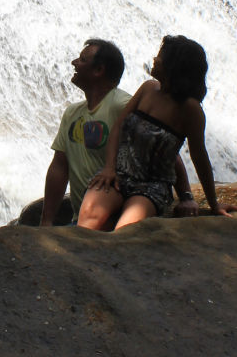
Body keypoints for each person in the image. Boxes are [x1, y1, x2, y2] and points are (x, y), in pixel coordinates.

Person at [78, 35, 232, 230]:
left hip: (151, 186)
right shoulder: (148, 88)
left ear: (174, 66)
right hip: (119, 174)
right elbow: (118, 126)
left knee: (126, 230)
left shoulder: (191, 110)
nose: (155, 59)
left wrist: (213, 204)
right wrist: (109, 168)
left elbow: (199, 156)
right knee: (88, 217)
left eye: (161, 56)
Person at [40, 39, 197, 227]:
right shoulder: (72, 113)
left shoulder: (121, 104)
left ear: (99, 70)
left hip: (118, 217)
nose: (74, 63)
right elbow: (60, 167)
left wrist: (186, 196)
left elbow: (168, 154)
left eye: (82, 60)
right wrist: (46, 221)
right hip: (84, 218)